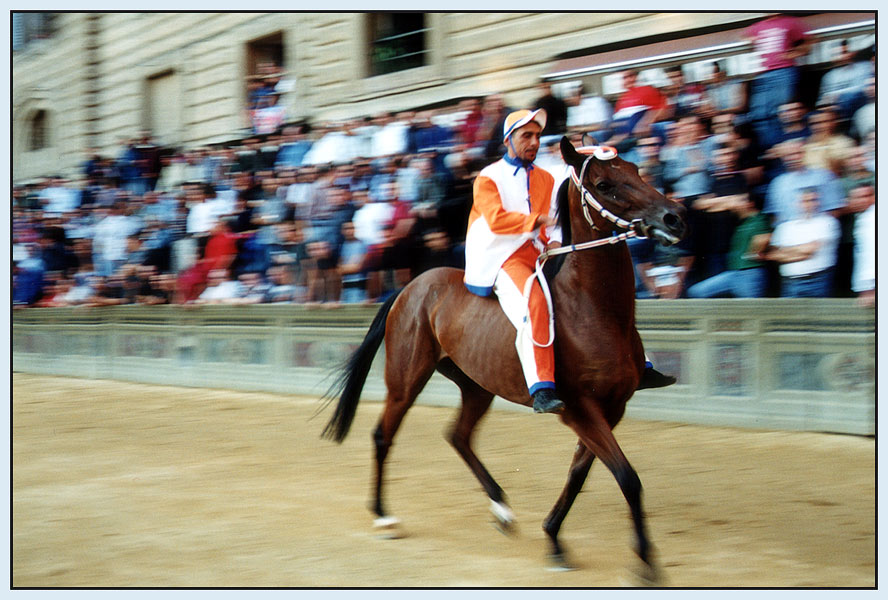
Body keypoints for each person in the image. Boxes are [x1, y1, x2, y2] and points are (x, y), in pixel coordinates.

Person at [464, 108, 565, 413]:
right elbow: (496, 221)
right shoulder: (487, 177)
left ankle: (639, 363)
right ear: (508, 140)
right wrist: (538, 223)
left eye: (537, 136)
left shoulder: (547, 177)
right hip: (501, 255)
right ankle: (542, 389)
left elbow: (549, 227)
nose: (534, 142)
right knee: (535, 302)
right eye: (527, 136)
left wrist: (555, 240)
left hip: (537, 251)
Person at [743, 14, 811, 150]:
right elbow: (744, 37)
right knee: (759, 114)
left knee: (782, 112)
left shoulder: (790, 22)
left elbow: (808, 43)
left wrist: (792, 54)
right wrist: (751, 41)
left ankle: (784, 147)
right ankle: (769, 148)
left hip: (784, 71)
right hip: (763, 73)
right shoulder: (757, 26)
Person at [686, 194, 772, 298]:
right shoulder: (743, 221)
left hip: (750, 274)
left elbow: (762, 241)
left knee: (749, 310)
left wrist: (755, 252)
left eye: (741, 201)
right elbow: (705, 206)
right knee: (697, 292)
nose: (735, 204)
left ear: (750, 204)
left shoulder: (760, 220)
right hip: (734, 273)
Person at [761, 188, 840, 298]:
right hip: (790, 282)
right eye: (805, 201)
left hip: (818, 281)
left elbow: (810, 249)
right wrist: (801, 252)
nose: (810, 204)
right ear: (796, 203)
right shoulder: (785, 227)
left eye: (814, 200)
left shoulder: (827, 222)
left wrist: (785, 251)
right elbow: (772, 254)